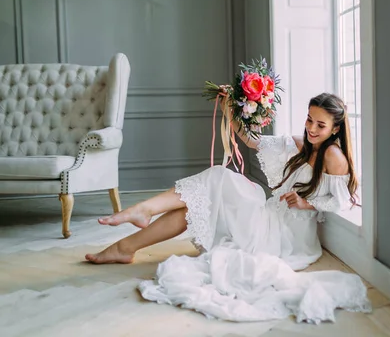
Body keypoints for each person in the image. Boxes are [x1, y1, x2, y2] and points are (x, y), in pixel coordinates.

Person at [85, 92, 371, 323]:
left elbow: (342, 201)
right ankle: (126, 247)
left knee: (218, 179)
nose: (311, 128)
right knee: (195, 207)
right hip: (268, 215)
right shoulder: (300, 144)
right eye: (309, 120)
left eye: (320, 125)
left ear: (336, 128)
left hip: (284, 236)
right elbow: (250, 140)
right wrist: (229, 106)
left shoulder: (334, 157)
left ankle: (142, 213)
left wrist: (307, 203)